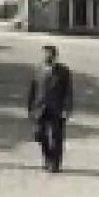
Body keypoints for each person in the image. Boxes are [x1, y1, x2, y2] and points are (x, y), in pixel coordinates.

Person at [27, 43, 73, 172]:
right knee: (39, 134)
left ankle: (55, 164)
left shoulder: (63, 71)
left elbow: (68, 91)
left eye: (49, 54)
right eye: (44, 54)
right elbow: (33, 89)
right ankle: (48, 156)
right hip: (40, 107)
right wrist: (30, 108)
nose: (46, 56)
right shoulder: (38, 69)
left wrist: (67, 109)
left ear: (55, 56)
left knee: (57, 137)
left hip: (57, 107)